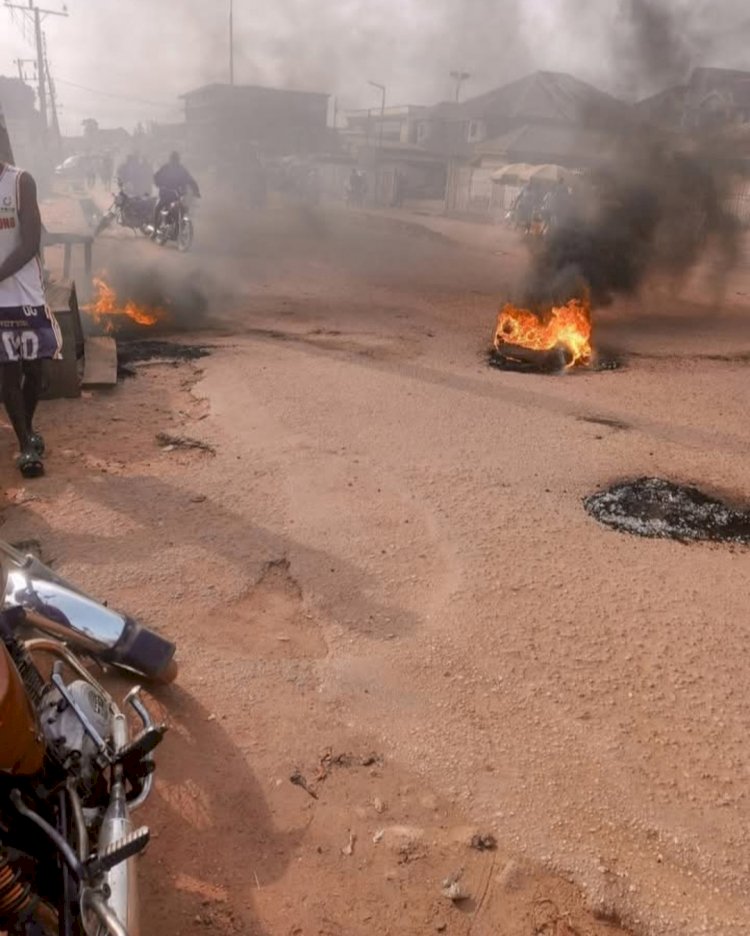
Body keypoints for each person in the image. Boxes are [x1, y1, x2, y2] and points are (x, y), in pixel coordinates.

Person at [0, 161, 63, 477]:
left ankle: (28, 426)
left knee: (35, 369)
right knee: (7, 371)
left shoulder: (20, 182)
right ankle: (25, 443)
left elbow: (29, 244)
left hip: (25, 293)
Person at [152, 151, 200, 235]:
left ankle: (178, 227)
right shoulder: (166, 168)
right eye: (174, 159)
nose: (175, 161)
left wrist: (196, 191)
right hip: (165, 194)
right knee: (157, 209)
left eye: (176, 159)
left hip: (177, 196)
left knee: (184, 209)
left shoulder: (182, 169)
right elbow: (156, 176)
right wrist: (159, 184)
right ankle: (155, 231)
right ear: (171, 159)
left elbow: (190, 180)